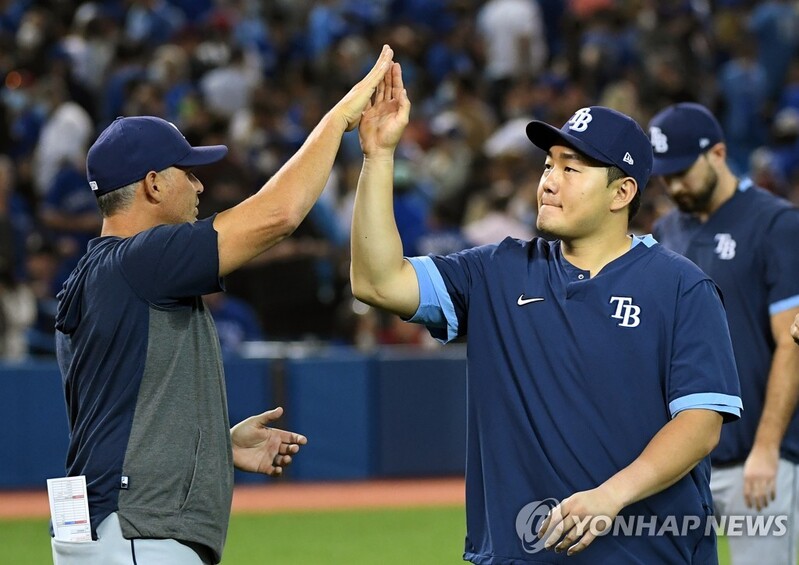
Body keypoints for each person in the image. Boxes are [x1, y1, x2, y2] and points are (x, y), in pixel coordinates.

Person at [350, 64, 742, 563]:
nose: (550, 181)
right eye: (548, 165)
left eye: (572, 168)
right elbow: (376, 281)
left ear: (621, 194)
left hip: (645, 554)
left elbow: (702, 421)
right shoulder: (497, 270)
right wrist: (379, 156)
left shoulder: (682, 286)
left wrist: (610, 496)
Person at [52, 45, 396, 565]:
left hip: (108, 527)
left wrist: (213, 445)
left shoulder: (88, 278)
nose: (199, 183)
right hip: (137, 532)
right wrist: (338, 120)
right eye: (186, 171)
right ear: (152, 184)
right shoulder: (138, 261)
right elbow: (277, 215)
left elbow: (120, 412)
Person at [648, 102, 799, 564]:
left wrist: (768, 449)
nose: (673, 186)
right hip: (687, 461)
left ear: (717, 153)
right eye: (664, 176)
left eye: (682, 172)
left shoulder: (777, 223)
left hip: (757, 457)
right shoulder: (666, 230)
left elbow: (791, 345)